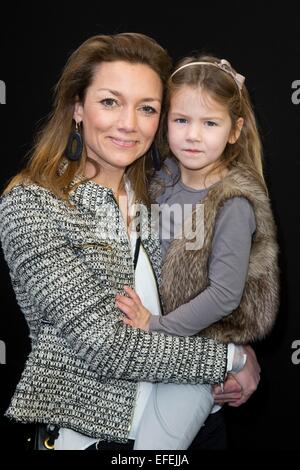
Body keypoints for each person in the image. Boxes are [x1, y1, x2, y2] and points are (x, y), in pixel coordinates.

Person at [0, 34, 259, 451]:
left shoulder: (157, 198)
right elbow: (108, 348)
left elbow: (194, 297)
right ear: (77, 108)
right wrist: (231, 360)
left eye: (147, 109)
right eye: (110, 102)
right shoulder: (35, 204)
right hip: (97, 437)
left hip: (199, 424)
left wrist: (238, 343)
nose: (129, 124)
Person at [116, 54, 279, 449]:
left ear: (234, 130)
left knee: (153, 450)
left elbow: (224, 296)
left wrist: (155, 327)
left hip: (200, 352)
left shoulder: (233, 202)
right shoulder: (158, 182)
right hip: (154, 355)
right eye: (182, 120)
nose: (193, 135)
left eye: (210, 124)